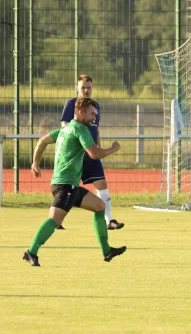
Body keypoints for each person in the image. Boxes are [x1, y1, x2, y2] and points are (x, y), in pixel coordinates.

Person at [23, 98, 127, 267]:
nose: (94, 117)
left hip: (65, 184)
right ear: (81, 112)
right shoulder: (80, 129)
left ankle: (107, 251)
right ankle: (31, 251)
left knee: (100, 206)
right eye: (92, 113)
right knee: (55, 220)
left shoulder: (66, 129)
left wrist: (35, 163)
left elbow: (42, 140)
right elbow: (93, 154)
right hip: (66, 185)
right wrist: (112, 149)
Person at [60, 74, 124, 230]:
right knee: (69, 188)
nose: (86, 90)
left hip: (92, 153)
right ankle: (57, 220)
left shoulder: (95, 106)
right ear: (77, 88)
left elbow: (96, 128)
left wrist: (99, 148)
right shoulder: (71, 104)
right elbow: (64, 125)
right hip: (76, 154)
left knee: (101, 183)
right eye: (83, 87)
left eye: (89, 87)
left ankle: (110, 221)